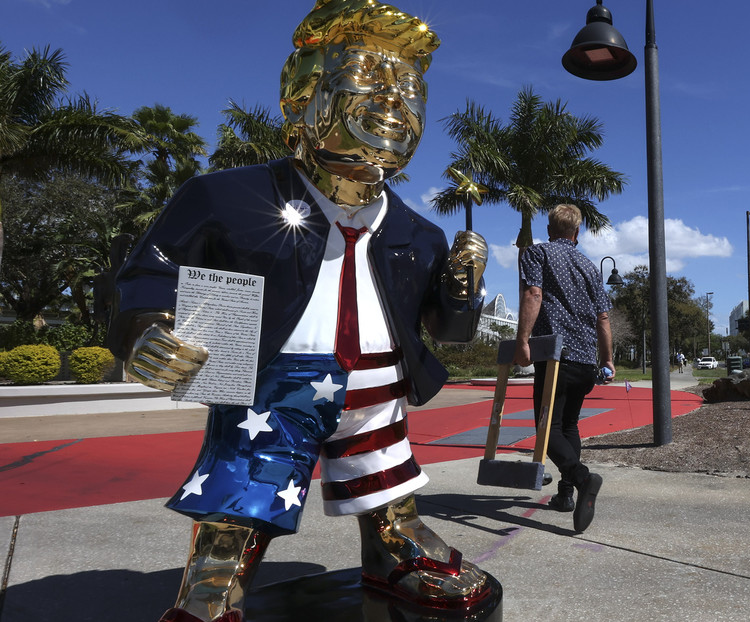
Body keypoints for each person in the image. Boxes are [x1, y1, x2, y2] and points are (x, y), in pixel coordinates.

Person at [107, 2, 499, 620]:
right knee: (245, 484)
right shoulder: (228, 198)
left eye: (411, 87)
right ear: (302, 92)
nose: (396, 98)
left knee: (386, 476)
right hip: (271, 386)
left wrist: (460, 290)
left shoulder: (419, 233)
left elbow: (445, 329)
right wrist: (145, 326)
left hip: (378, 390)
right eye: (370, 76)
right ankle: (214, 584)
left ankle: (394, 548)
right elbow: (148, 270)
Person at [512, 204, 614, 533]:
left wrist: (523, 340)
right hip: (586, 360)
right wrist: (607, 359)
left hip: (555, 354)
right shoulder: (588, 265)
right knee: (568, 426)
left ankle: (582, 479)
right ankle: (565, 495)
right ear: (577, 232)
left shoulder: (537, 253)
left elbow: (533, 293)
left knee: (545, 428)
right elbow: (602, 317)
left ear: (549, 228)